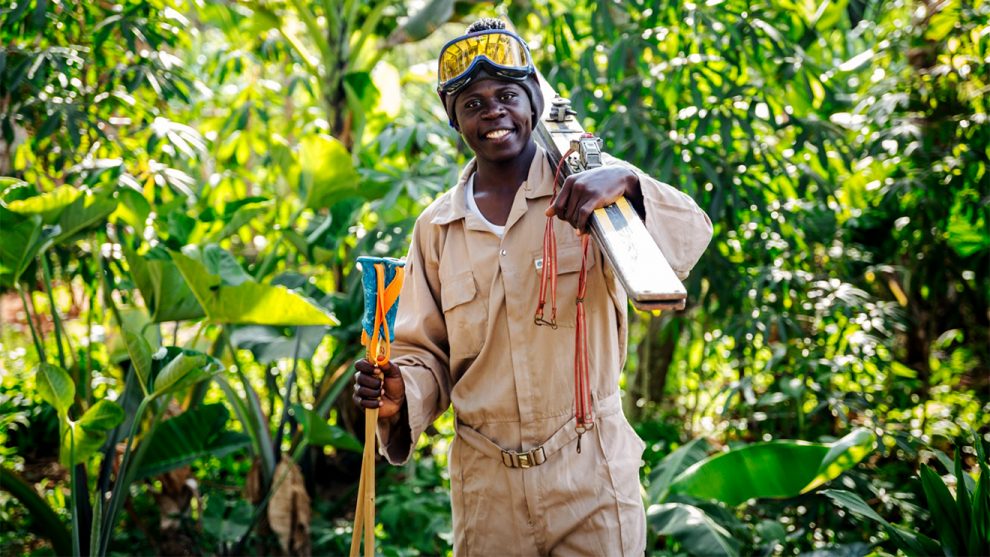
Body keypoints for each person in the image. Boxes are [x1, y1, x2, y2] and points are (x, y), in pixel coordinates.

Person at [353, 17, 712, 556]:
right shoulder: (437, 227)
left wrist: (629, 182)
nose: (492, 111)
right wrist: (400, 393)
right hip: (486, 486)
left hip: (591, 473)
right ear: (456, 123)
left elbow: (691, 232)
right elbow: (423, 351)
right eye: (472, 104)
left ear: (534, 104)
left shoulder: (591, 191)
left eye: (507, 95)